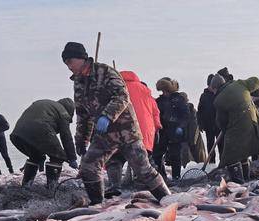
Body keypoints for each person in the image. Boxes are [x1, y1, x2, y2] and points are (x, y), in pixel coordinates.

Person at [62, 42, 169, 204]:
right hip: (104, 135)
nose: (68, 66)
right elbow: (82, 114)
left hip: (126, 130)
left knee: (143, 170)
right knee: (88, 168)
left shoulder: (105, 71)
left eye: (70, 61)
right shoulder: (78, 83)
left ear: (81, 58)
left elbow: (122, 95)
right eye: (66, 63)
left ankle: (168, 200)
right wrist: (81, 140)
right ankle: (97, 206)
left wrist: (107, 116)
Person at [104, 70, 161, 198]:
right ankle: (152, 187)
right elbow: (155, 112)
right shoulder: (145, 90)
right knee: (143, 160)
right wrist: (156, 128)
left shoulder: (115, 88)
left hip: (120, 130)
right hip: (143, 131)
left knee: (115, 159)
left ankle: (114, 186)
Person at [211, 74, 259, 183]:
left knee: (231, 156)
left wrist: (226, 132)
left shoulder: (219, 100)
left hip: (238, 128)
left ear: (215, 88)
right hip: (254, 123)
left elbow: (221, 122)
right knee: (243, 154)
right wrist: (248, 93)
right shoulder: (240, 84)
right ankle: (247, 180)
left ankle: (238, 183)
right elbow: (255, 80)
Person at [10, 98, 77, 188]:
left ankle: (26, 185)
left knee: (36, 157)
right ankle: (51, 188)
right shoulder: (63, 112)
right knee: (58, 156)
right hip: (40, 128)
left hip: (18, 134)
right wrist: (72, 157)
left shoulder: (47, 105)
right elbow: (66, 136)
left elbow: (41, 140)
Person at [154, 78, 190, 181]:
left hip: (175, 131)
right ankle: (161, 176)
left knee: (175, 155)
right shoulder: (159, 101)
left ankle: (176, 177)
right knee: (158, 154)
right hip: (162, 131)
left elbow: (186, 115)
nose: (164, 93)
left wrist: (181, 126)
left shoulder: (179, 99)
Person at [197, 74, 221, 163]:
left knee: (221, 145)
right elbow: (199, 111)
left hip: (219, 125)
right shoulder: (204, 96)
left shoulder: (219, 94)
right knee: (210, 146)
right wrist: (200, 124)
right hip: (208, 125)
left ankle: (222, 164)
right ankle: (211, 163)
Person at [182, 92, 207, 165]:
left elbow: (194, 127)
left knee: (197, 158)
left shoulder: (192, 111)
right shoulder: (190, 111)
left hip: (192, 139)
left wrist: (192, 141)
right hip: (189, 139)